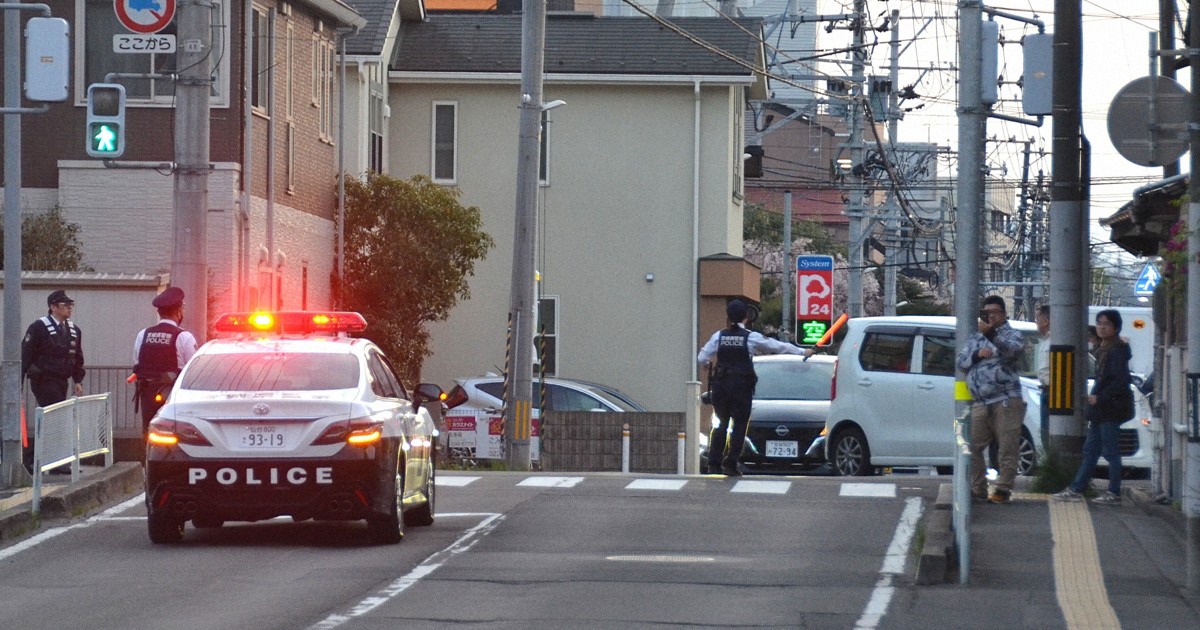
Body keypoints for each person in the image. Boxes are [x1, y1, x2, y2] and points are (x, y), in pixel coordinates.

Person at [697, 299, 812, 476]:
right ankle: (731, 463)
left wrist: (706, 364)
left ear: (728, 316)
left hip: (721, 387)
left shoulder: (719, 336)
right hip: (741, 387)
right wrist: (803, 351)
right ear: (746, 317)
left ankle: (714, 463)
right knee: (739, 425)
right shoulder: (750, 337)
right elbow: (777, 347)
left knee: (720, 424)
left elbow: (702, 357)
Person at [1053, 309, 1132, 505]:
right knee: (1091, 450)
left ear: (1116, 328)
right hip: (1102, 410)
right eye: (1099, 323)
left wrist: (1100, 397)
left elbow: (1120, 382)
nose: (1101, 327)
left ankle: (1112, 492)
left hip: (1109, 409)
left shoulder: (1116, 351)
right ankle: (1077, 488)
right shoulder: (1106, 348)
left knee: (1110, 452)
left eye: (1107, 324)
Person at [956, 295, 1026, 504]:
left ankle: (1003, 489)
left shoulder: (1013, 334)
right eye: (987, 313)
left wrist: (993, 336)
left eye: (995, 312)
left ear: (1004, 314)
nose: (991, 316)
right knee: (972, 446)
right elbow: (961, 361)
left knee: (1007, 446)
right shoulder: (976, 337)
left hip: (1005, 399)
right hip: (980, 401)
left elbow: (1012, 350)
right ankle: (978, 488)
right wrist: (978, 354)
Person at [21, 290, 86, 473]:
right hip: (44, 379)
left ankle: (52, 461)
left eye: (70, 305)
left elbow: (77, 357)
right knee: (54, 417)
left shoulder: (73, 330)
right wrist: (18, 381)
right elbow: (25, 353)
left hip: (61, 380)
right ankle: (37, 459)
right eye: (65, 305)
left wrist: (78, 380)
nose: (69, 309)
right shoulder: (39, 327)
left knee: (56, 419)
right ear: (53, 307)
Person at [133, 287, 198, 433]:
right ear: (178, 311)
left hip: (147, 394)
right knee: (172, 433)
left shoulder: (143, 334)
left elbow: (137, 363)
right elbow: (192, 371)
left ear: (159, 312)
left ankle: (148, 455)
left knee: (149, 432)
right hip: (174, 396)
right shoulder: (184, 337)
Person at [1035, 305, 1051, 449]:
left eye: (1037, 318)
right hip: (1046, 391)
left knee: (1048, 434)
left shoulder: (1054, 341)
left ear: (1045, 321)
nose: (1036, 322)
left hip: (1052, 391)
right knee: (1045, 434)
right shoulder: (1046, 340)